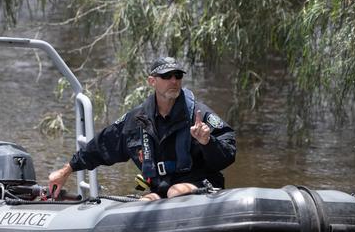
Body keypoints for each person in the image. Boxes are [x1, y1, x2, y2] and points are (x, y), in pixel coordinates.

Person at [48, 56, 236, 201]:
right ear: (152, 81)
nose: (173, 81)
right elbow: (102, 145)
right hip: (160, 188)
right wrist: (66, 171)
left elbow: (228, 154)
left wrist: (207, 142)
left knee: (174, 192)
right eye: (166, 76)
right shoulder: (136, 119)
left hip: (199, 183)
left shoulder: (199, 115)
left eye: (177, 75)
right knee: (146, 202)